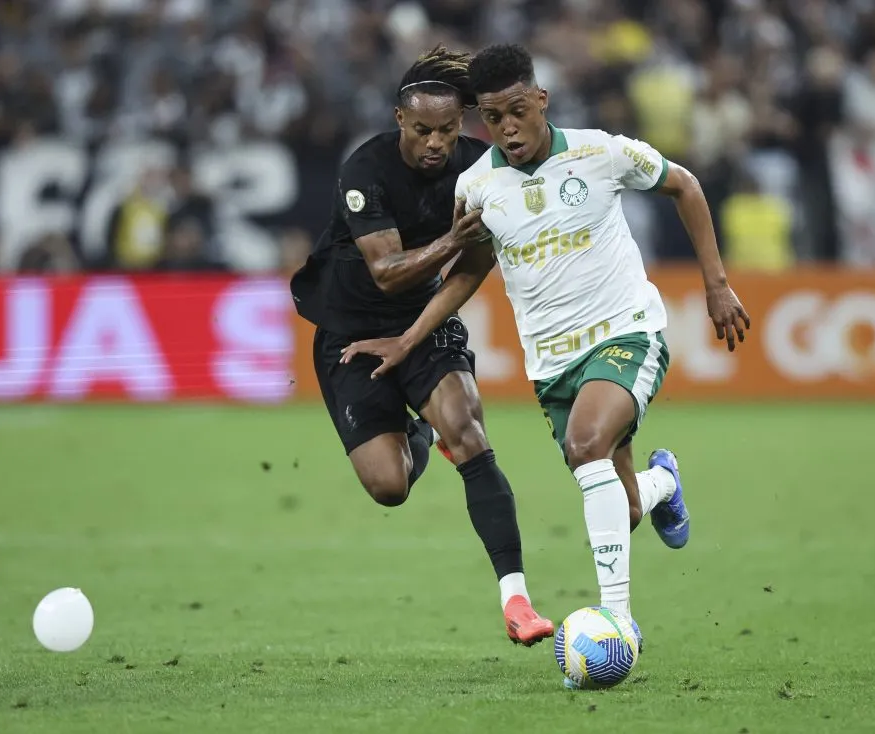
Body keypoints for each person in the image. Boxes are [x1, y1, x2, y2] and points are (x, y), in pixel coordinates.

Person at [339, 43, 751, 659]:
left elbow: (685, 186)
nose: (506, 128)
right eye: (491, 118)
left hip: (625, 332)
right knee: (620, 505)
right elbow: (468, 270)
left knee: (587, 446)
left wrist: (716, 285)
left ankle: (619, 627)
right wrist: (408, 338)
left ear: (540, 101)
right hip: (552, 365)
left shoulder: (601, 151)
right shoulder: (477, 185)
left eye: (516, 112)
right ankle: (661, 484)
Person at [289, 46, 553, 646]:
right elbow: (386, 270)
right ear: (400, 121)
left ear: (463, 123)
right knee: (389, 487)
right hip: (351, 336)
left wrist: (414, 335)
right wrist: (451, 240)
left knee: (470, 432)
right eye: (424, 130)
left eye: (449, 130)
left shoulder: (480, 169)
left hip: (423, 323)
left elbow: (474, 266)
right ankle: (416, 437)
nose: (436, 143)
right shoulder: (366, 169)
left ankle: (517, 600)